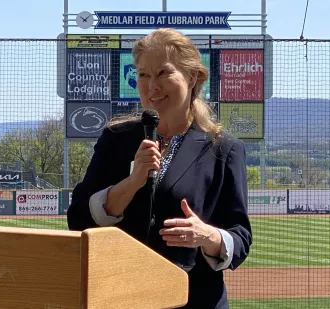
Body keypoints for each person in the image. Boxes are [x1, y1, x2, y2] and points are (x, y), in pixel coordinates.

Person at [66, 28, 252, 309]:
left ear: (192, 77)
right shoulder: (116, 140)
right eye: (143, 75)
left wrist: (208, 236)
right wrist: (131, 183)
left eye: (163, 73)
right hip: (120, 297)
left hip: (193, 300)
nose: (152, 86)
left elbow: (239, 238)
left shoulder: (223, 149)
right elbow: (78, 219)